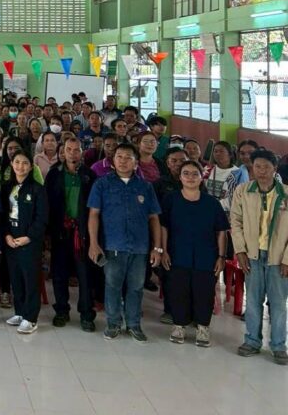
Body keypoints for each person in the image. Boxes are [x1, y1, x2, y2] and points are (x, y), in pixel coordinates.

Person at [88, 142, 162, 342]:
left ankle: (134, 324)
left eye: (128, 157)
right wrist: (93, 243)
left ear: (136, 163)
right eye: (119, 156)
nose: (123, 161)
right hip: (113, 245)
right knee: (112, 285)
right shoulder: (102, 184)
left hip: (139, 247)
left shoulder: (145, 187)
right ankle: (113, 323)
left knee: (136, 287)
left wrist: (157, 247)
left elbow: (154, 218)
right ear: (113, 161)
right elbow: (94, 214)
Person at [160, 159, 228, 347]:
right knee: (178, 291)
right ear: (180, 177)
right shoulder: (171, 200)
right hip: (177, 254)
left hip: (206, 257)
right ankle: (179, 326)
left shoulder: (212, 203)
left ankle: (203, 327)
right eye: (186, 173)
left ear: (201, 177)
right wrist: (163, 250)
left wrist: (221, 257)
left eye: (194, 174)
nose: (190, 177)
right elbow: (163, 227)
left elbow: (221, 231)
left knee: (204, 292)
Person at [230, 149, 288, 364]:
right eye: (257, 167)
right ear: (252, 168)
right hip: (252, 255)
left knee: (278, 303)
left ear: (275, 169)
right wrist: (240, 250)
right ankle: (252, 341)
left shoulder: (286, 193)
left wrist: (287, 259)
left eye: (266, 167)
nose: (262, 171)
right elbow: (236, 221)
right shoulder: (243, 191)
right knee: (253, 301)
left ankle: (279, 345)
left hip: (278, 257)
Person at [45, 138, 97, 331]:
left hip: (82, 233)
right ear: (63, 152)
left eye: (76, 150)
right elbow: (48, 204)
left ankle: (86, 314)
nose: (72, 153)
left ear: (81, 152)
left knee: (85, 276)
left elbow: (95, 208)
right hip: (60, 232)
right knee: (59, 274)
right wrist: (47, 233)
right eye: (69, 149)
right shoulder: (54, 174)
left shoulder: (89, 175)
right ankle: (61, 310)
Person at [0, 152, 48, 335]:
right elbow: (1, 214)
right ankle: (20, 312)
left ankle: (31, 317)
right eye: (17, 162)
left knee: (30, 279)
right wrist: (6, 235)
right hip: (10, 238)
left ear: (31, 166)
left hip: (29, 240)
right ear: (12, 164)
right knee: (16, 278)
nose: (20, 166)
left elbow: (42, 218)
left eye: (25, 163)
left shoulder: (37, 189)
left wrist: (29, 237)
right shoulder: (6, 187)